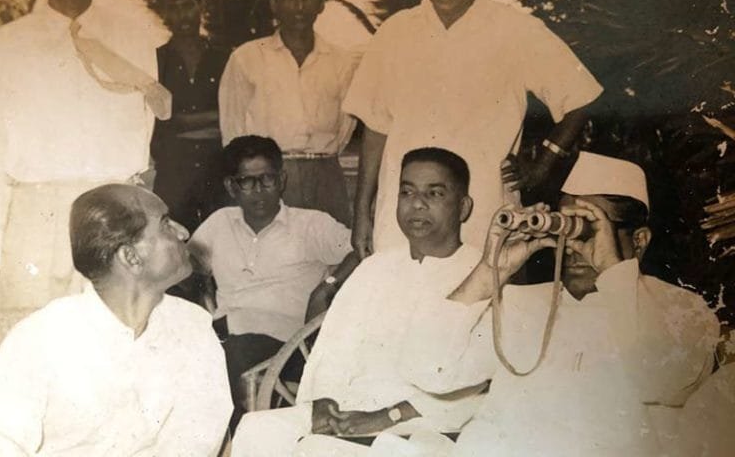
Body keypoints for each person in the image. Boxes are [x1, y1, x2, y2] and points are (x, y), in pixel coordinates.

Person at [231, 147, 554, 457]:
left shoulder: (484, 273)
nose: (417, 205)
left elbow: (481, 385)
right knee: (257, 429)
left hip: (425, 422)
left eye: (435, 194)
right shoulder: (375, 267)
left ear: (464, 207)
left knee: (318, 451)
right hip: (346, 408)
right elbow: (333, 349)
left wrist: (389, 416)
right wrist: (324, 402)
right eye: (407, 192)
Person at [343, 0, 603, 257]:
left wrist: (544, 162)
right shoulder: (394, 33)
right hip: (401, 223)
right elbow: (376, 129)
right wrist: (362, 213)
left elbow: (582, 96)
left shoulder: (517, 31)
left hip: (485, 223)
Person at [425, 151, 718, 456]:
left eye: (591, 228)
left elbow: (661, 380)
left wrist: (613, 271)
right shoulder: (519, 304)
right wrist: (489, 272)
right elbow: (433, 371)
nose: (574, 247)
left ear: (640, 241)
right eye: (565, 226)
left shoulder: (680, 309)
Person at [0, 0, 168, 309]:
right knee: (32, 347)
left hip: (114, 217)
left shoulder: (134, 40)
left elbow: (143, 140)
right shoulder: (6, 46)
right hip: (34, 222)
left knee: (114, 348)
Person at [0, 184, 232, 456]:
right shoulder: (42, 339)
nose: (183, 232)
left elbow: (200, 437)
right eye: (165, 224)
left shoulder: (192, 326)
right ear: (131, 257)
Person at [189, 135, 358, 429]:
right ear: (231, 186)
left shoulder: (310, 225)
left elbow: (362, 249)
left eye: (267, 179)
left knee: (221, 363)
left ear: (282, 180)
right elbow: (186, 267)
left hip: (286, 346)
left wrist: (327, 286)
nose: (259, 191)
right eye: (247, 182)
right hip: (226, 337)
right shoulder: (219, 223)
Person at [218, 0, 358, 226]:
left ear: (321, 4)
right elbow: (232, 130)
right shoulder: (247, 58)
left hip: (325, 174)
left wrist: (317, 161)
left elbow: (344, 128)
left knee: (333, 256)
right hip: (268, 178)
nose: (299, 7)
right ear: (274, 3)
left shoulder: (340, 61)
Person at [151, 0, 229, 232]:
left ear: (201, 5)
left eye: (188, 6)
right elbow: (154, 122)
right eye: (172, 8)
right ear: (162, 13)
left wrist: (180, 121)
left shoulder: (225, 58)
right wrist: (213, 120)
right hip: (173, 177)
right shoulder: (154, 61)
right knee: (174, 248)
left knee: (222, 245)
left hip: (219, 173)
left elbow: (236, 116)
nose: (181, 15)